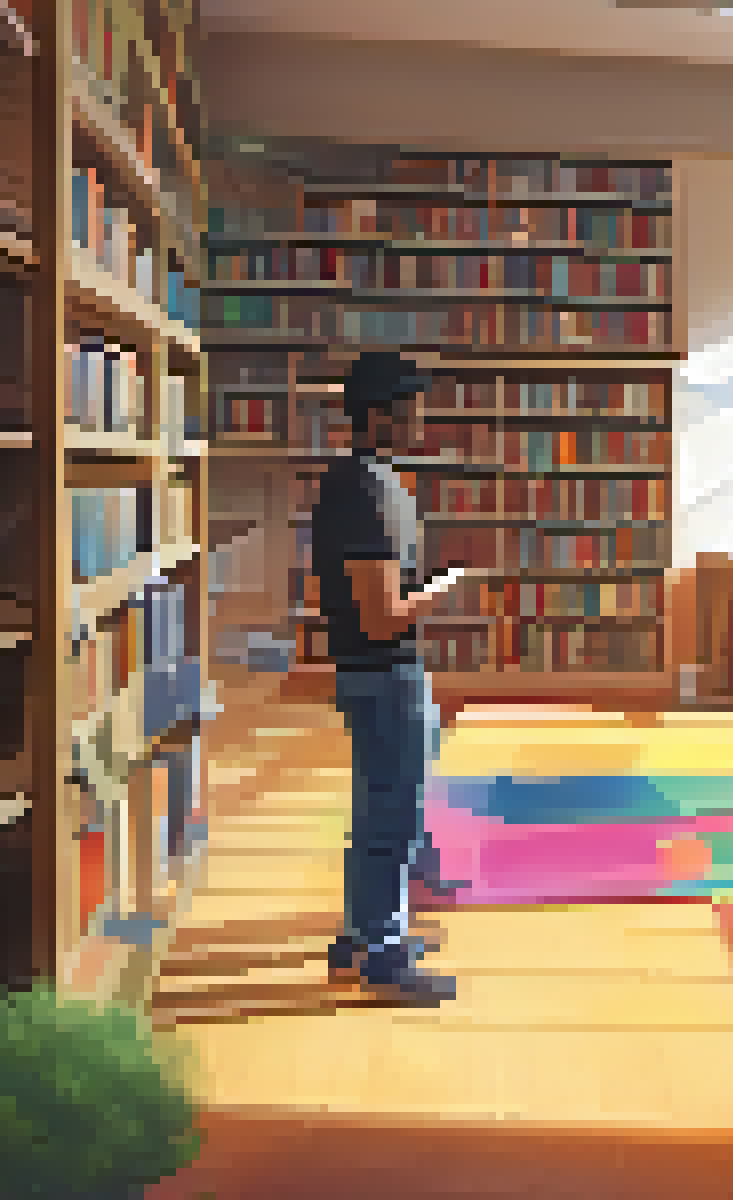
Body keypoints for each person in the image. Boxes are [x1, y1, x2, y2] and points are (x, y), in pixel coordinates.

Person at [313, 350, 474, 1005]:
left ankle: (359, 939)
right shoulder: (369, 492)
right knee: (394, 818)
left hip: (368, 672)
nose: (419, 423)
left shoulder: (355, 482)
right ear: (379, 415)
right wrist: (443, 589)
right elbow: (381, 616)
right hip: (385, 672)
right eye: (410, 411)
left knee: (376, 810)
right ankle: (382, 954)